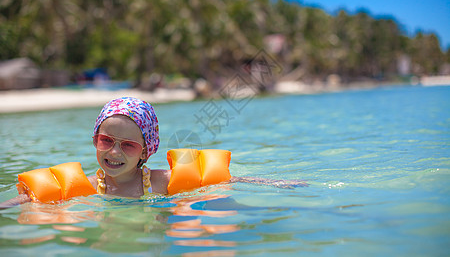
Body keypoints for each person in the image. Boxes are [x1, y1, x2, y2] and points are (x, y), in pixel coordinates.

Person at [1, 97, 306, 209]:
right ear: (95, 140)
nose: (115, 152)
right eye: (107, 140)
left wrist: (274, 184)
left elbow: (229, 178)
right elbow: (29, 198)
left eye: (129, 145)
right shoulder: (90, 187)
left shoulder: (158, 182)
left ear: (146, 151)